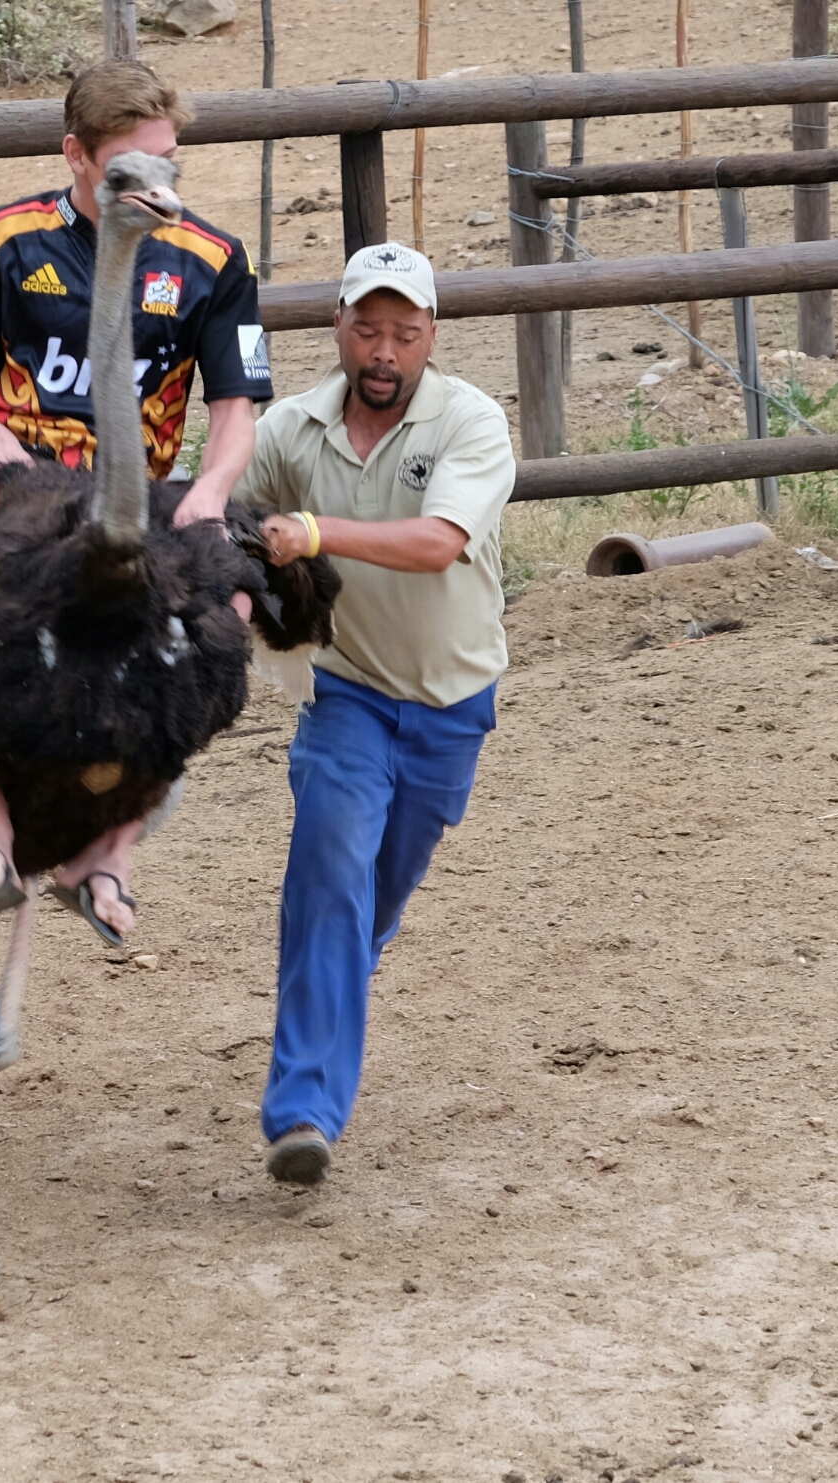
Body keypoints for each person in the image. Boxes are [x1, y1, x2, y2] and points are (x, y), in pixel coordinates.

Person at [0, 58, 274, 941]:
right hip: (22, 486)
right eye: (133, 169)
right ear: (76, 156)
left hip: (139, 494)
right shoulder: (5, 239)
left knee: (233, 596)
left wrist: (214, 492)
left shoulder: (213, 258)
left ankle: (113, 848)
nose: (160, 191)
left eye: (171, 167)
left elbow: (237, 408)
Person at [235, 243, 516, 1186]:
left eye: (404, 332)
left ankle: (335, 986)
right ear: (339, 328)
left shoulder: (471, 422)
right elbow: (226, 522)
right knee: (329, 870)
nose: (384, 351)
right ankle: (303, 1112)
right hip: (345, 690)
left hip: (449, 703)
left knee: (369, 904)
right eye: (368, 329)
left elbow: (439, 543)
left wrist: (313, 533)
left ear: (432, 336)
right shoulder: (288, 431)